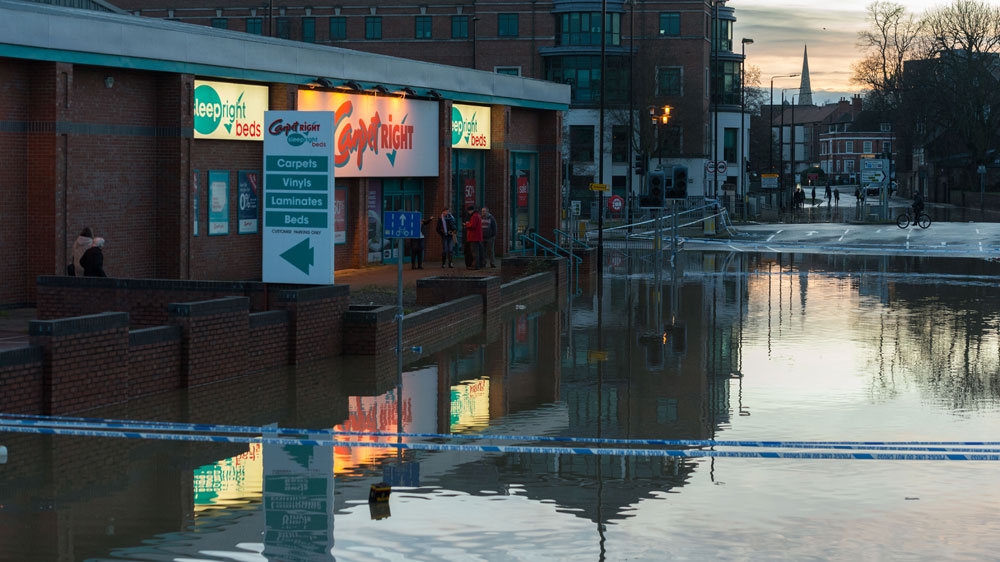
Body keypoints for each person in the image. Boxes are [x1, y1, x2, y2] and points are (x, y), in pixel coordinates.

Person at [463, 204, 484, 270]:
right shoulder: (477, 215)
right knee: (477, 251)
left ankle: (475, 265)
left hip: (474, 237)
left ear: (470, 210)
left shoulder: (474, 216)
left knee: (474, 252)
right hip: (477, 237)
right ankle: (478, 264)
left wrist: (467, 224)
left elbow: (472, 226)